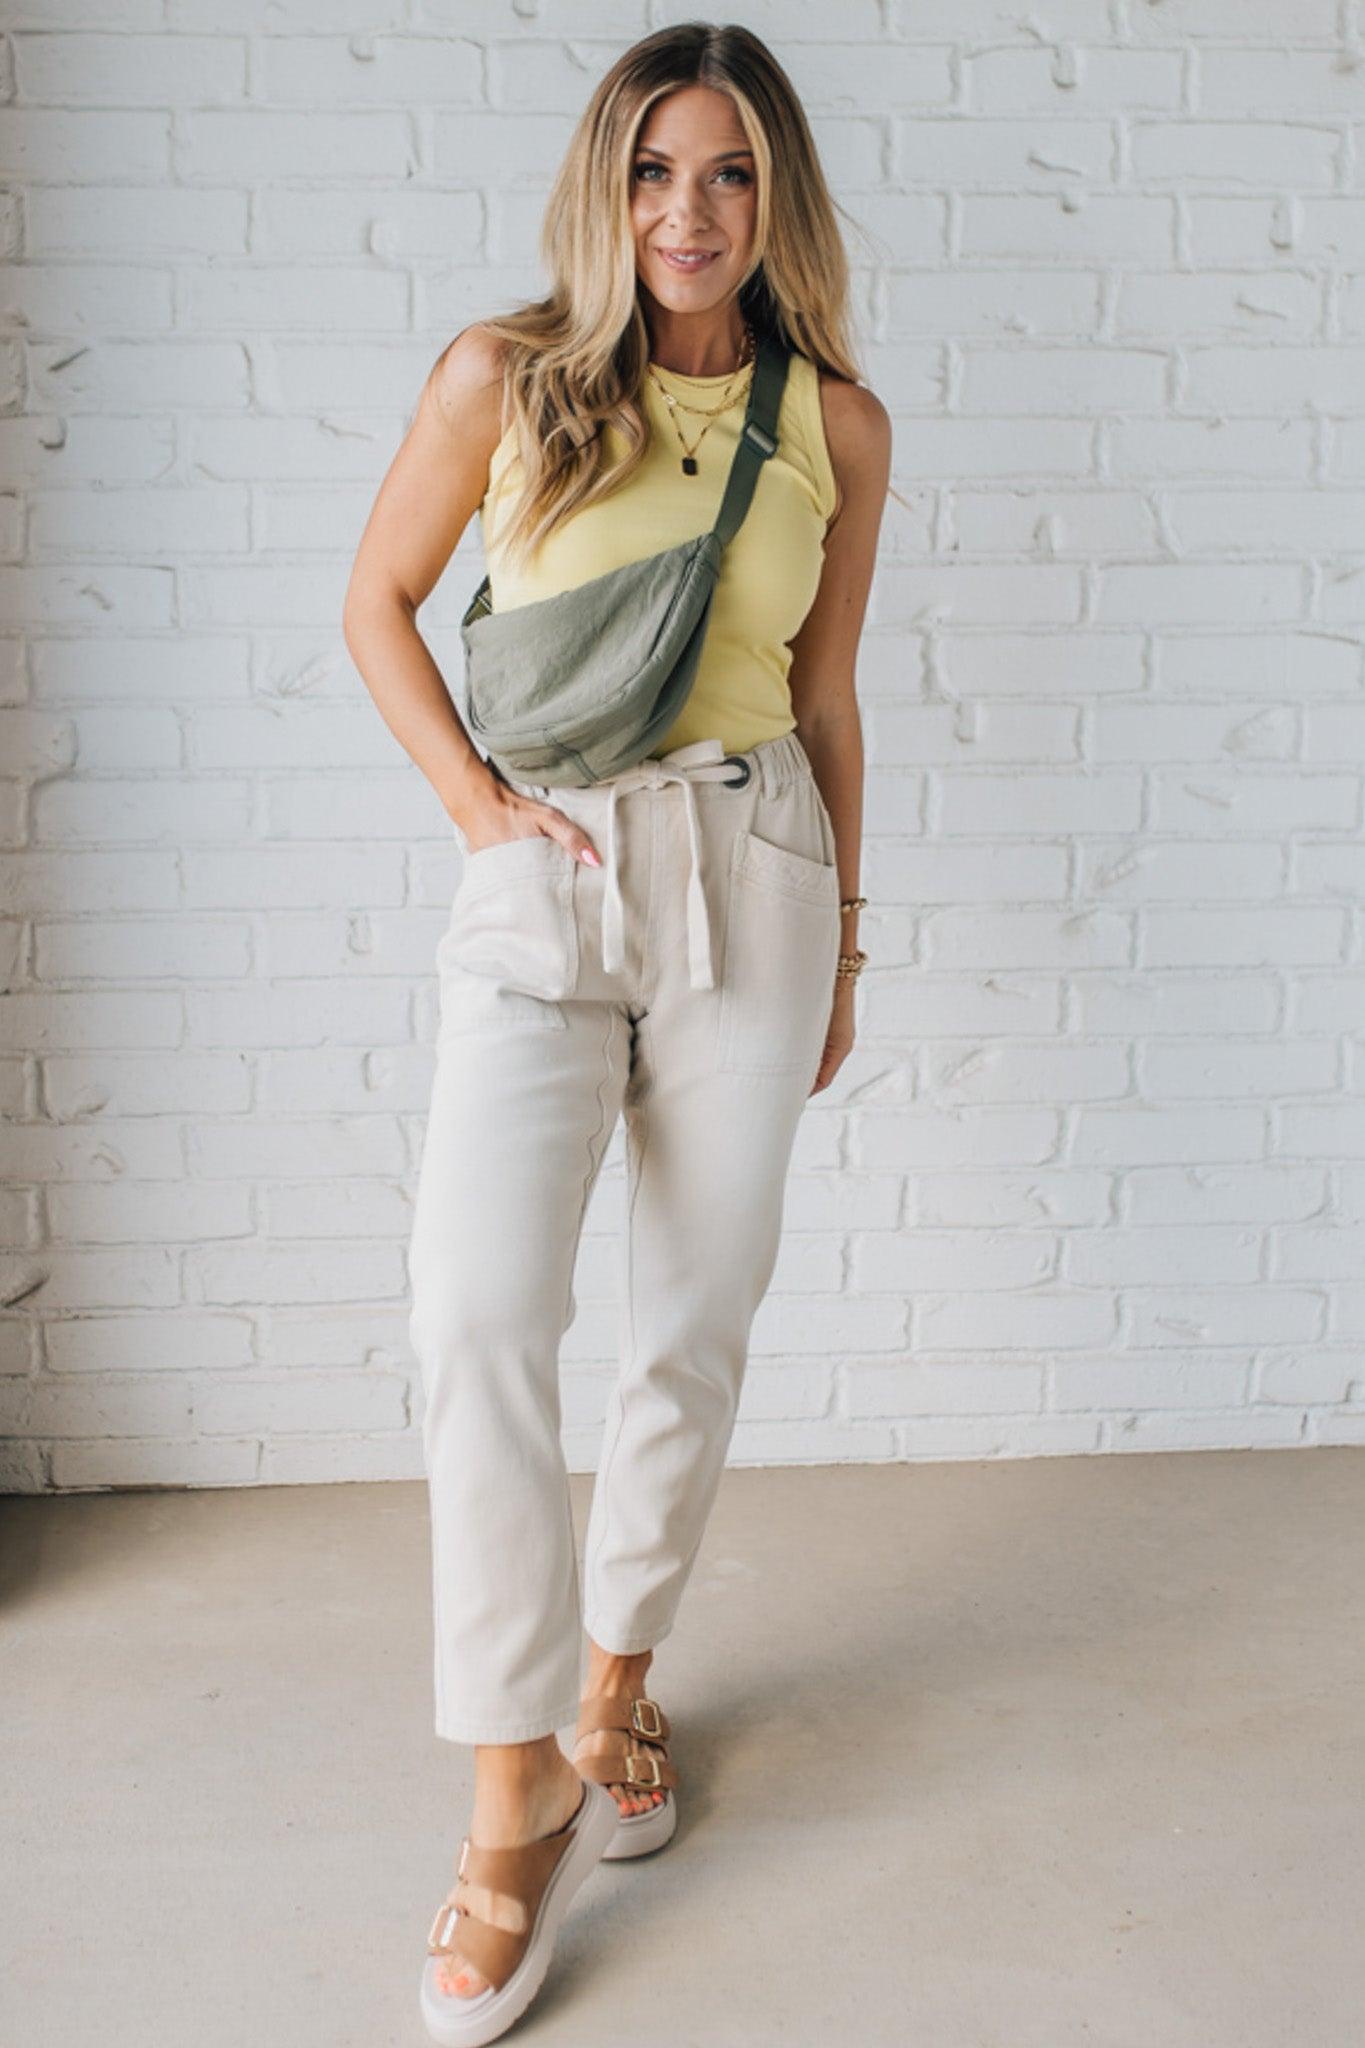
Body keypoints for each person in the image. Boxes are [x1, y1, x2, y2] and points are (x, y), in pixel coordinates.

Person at [343, 20, 891, 2042]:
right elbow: (373, 606)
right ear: (607, 185)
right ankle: (509, 1817)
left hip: (754, 870)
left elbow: (824, 698)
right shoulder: (505, 377)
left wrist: (840, 945)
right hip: (546, 882)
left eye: (729, 174)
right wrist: (480, 814)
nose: (687, 212)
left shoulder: (835, 418)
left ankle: (615, 1682)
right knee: (475, 1312)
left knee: (691, 1317)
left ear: (775, 199)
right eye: (655, 171)